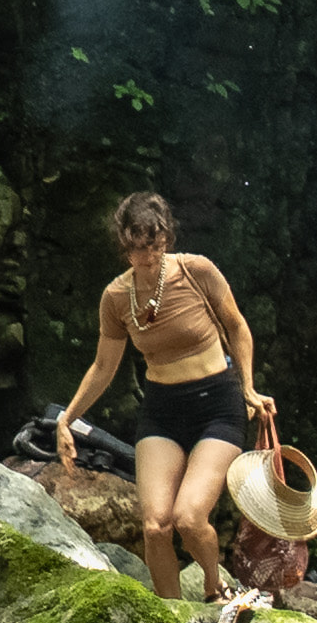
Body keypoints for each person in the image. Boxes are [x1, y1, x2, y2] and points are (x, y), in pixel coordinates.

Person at [47, 191, 281, 600]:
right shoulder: (116, 298)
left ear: (166, 238)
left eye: (154, 245)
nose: (148, 256)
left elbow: (237, 327)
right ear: (124, 246)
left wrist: (247, 386)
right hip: (162, 409)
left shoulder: (196, 271)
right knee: (156, 524)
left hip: (217, 405)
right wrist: (67, 418)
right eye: (138, 248)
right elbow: (103, 367)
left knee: (189, 517)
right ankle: (171, 616)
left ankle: (213, 583)